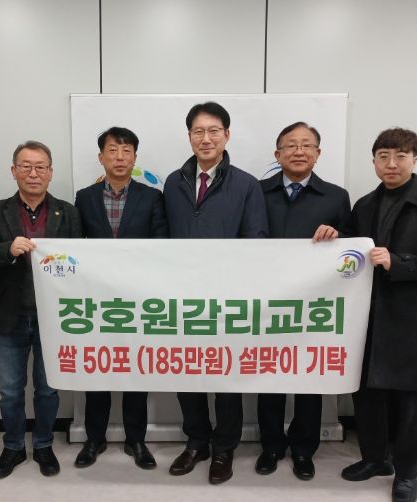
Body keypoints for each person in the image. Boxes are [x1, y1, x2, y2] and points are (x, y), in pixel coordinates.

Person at [340, 128, 417, 502]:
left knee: (410, 403)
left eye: (400, 156)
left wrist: (399, 262)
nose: (391, 164)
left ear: (414, 159)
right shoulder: (364, 206)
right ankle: (374, 459)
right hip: (367, 317)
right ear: (374, 161)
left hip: (413, 319)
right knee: (367, 395)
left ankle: (407, 474)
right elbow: (349, 256)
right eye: (383, 156)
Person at [164, 102, 268, 484]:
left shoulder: (246, 184)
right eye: (198, 131)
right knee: (187, 372)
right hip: (182, 298)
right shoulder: (173, 182)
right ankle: (197, 441)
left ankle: (224, 447)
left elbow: (256, 240)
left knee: (225, 376)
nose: (205, 138)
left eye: (213, 131)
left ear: (226, 134)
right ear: (189, 136)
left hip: (227, 298)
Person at [0, 141, 82, 479]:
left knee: (48, 388)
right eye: (26, 166)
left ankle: (43, 445)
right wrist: (8, 249)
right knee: (10, 391)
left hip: (53, 317)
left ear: (50, 172)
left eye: (40, 167)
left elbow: (79, 260)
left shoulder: (67, 212)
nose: (33, 173)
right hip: (10, 313)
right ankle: (12, 447)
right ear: (14, 171)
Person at [258, 122, 351, 481]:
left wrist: (338, 236)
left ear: (318, 153)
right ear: (277, 153)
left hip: (314, 304)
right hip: (266, 300)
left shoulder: (335, 196)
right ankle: (270, 446)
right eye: (291, 145)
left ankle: (303, 449)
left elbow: (351, 250)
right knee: (268, 375)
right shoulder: (258, 192)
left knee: (309, 377)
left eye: (307, 145)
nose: (299, 151)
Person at [73, 126, 168, 470]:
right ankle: (94, 439)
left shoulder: (151, 197)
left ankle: (135, 440)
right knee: (98, 369)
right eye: (112, 150)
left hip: (138, 299)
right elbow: (75, 246)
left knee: (136, 370)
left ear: (135, 158)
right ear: (101, 157)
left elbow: (160, 246)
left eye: (126, 151)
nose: (119, 157)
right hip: (97, 299)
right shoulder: (84, 197)